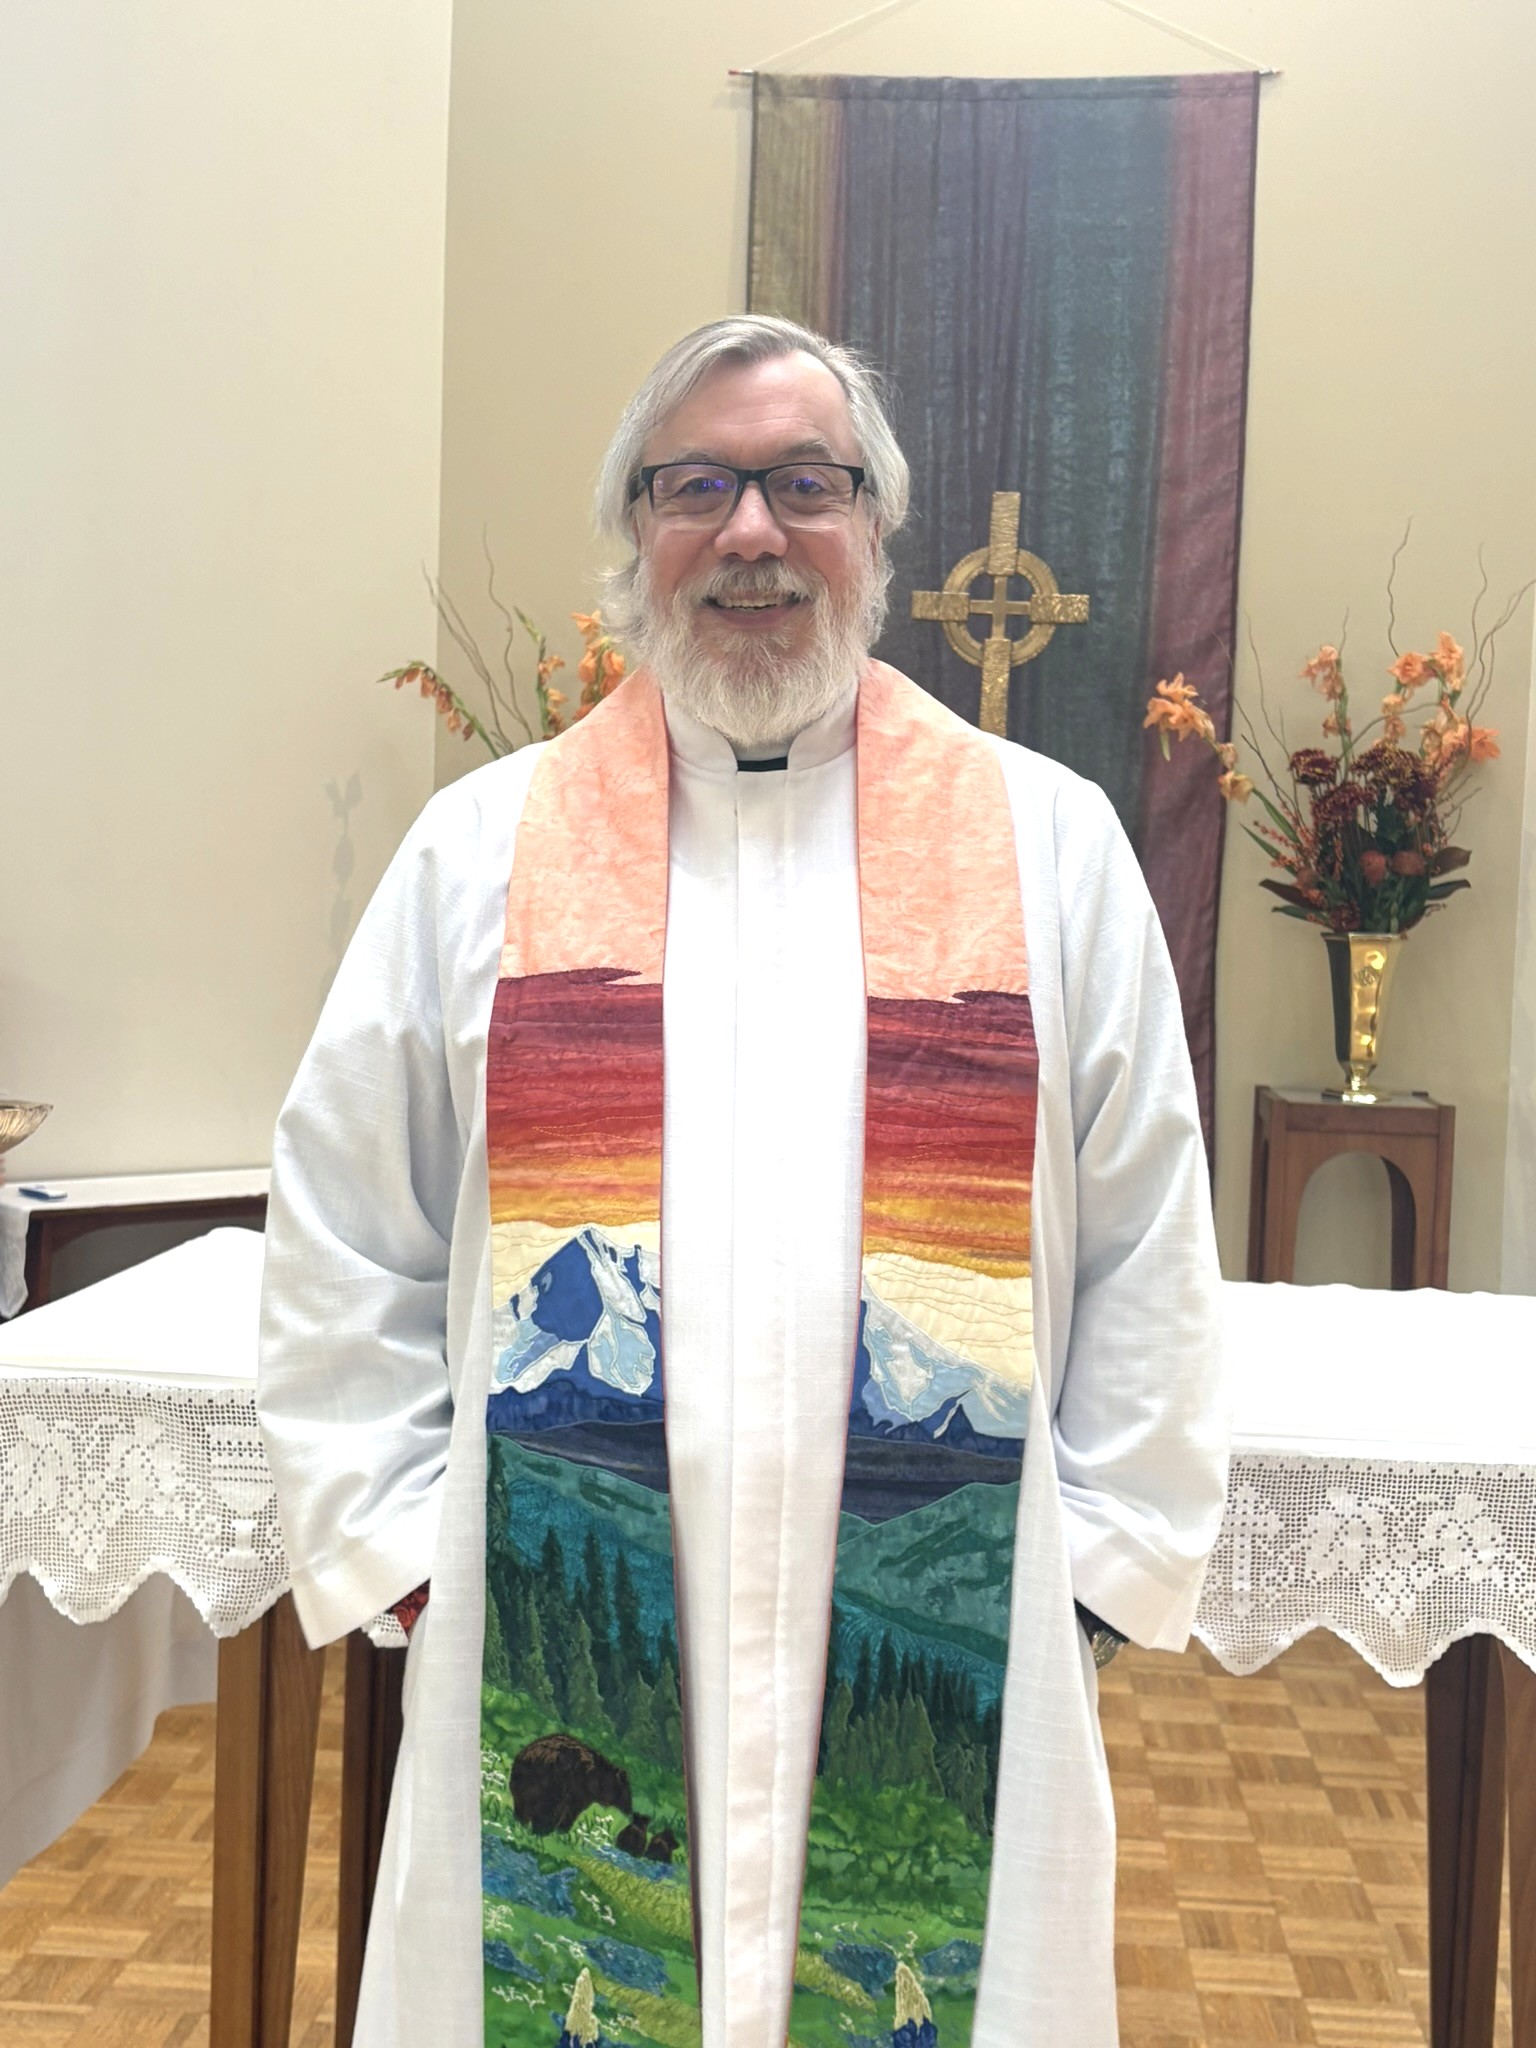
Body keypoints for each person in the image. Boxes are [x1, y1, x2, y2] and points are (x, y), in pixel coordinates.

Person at [257, 314, 1227, 2048]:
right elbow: (345, 1225)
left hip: (948, 1638)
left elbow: (1149, 1236)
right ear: (635, 534)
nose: (753, 532)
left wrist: (1082, 1586)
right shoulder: (482, 853)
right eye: (697, 486)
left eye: (803, 485)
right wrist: (412, 1559)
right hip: (561, 1624)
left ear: (877, 526)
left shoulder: (1046, 846)